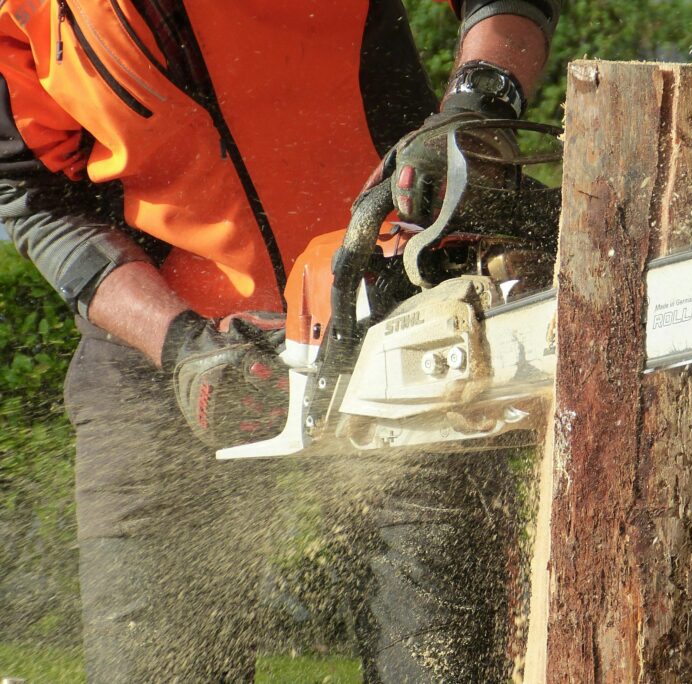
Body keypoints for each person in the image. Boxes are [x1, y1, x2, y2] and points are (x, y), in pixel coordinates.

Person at [0, 0, 557, 680]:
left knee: (445, 660)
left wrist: (479, 100)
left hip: (400, 303)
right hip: (164, 337)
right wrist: (178, 346)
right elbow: (30, 194)